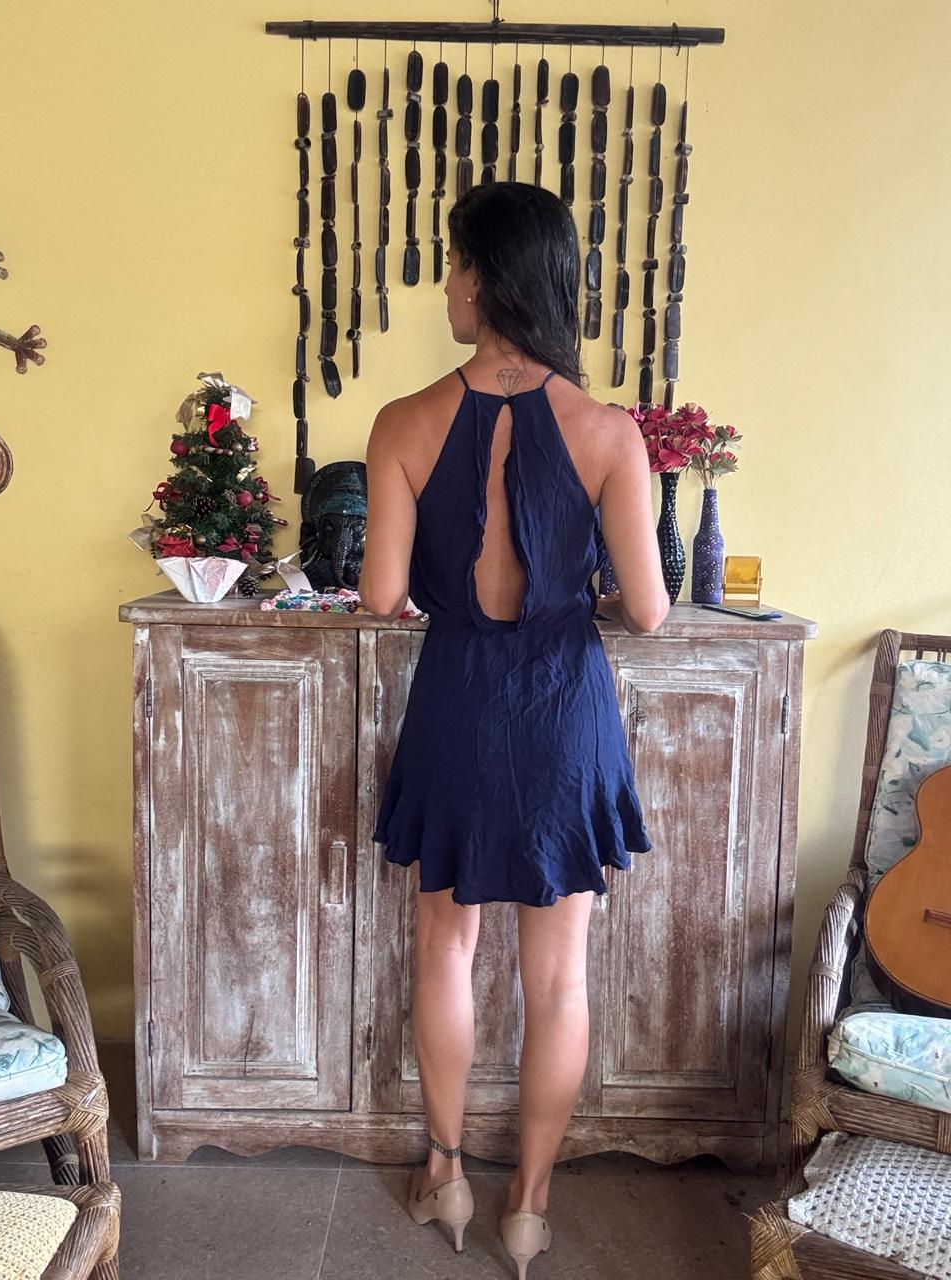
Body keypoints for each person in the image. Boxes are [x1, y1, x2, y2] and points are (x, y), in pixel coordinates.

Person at [357, 180, 669, 1277]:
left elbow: (382, 596)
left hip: (455, 701)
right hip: (562, 712)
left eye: (454, 265)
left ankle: (444, 1174)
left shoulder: (402, 422)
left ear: (487, 277)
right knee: (559, 976)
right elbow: (650, 609)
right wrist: (576, 597)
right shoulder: (609, 431)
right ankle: (529, 1204)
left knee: (446, 948)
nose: (447, 286)